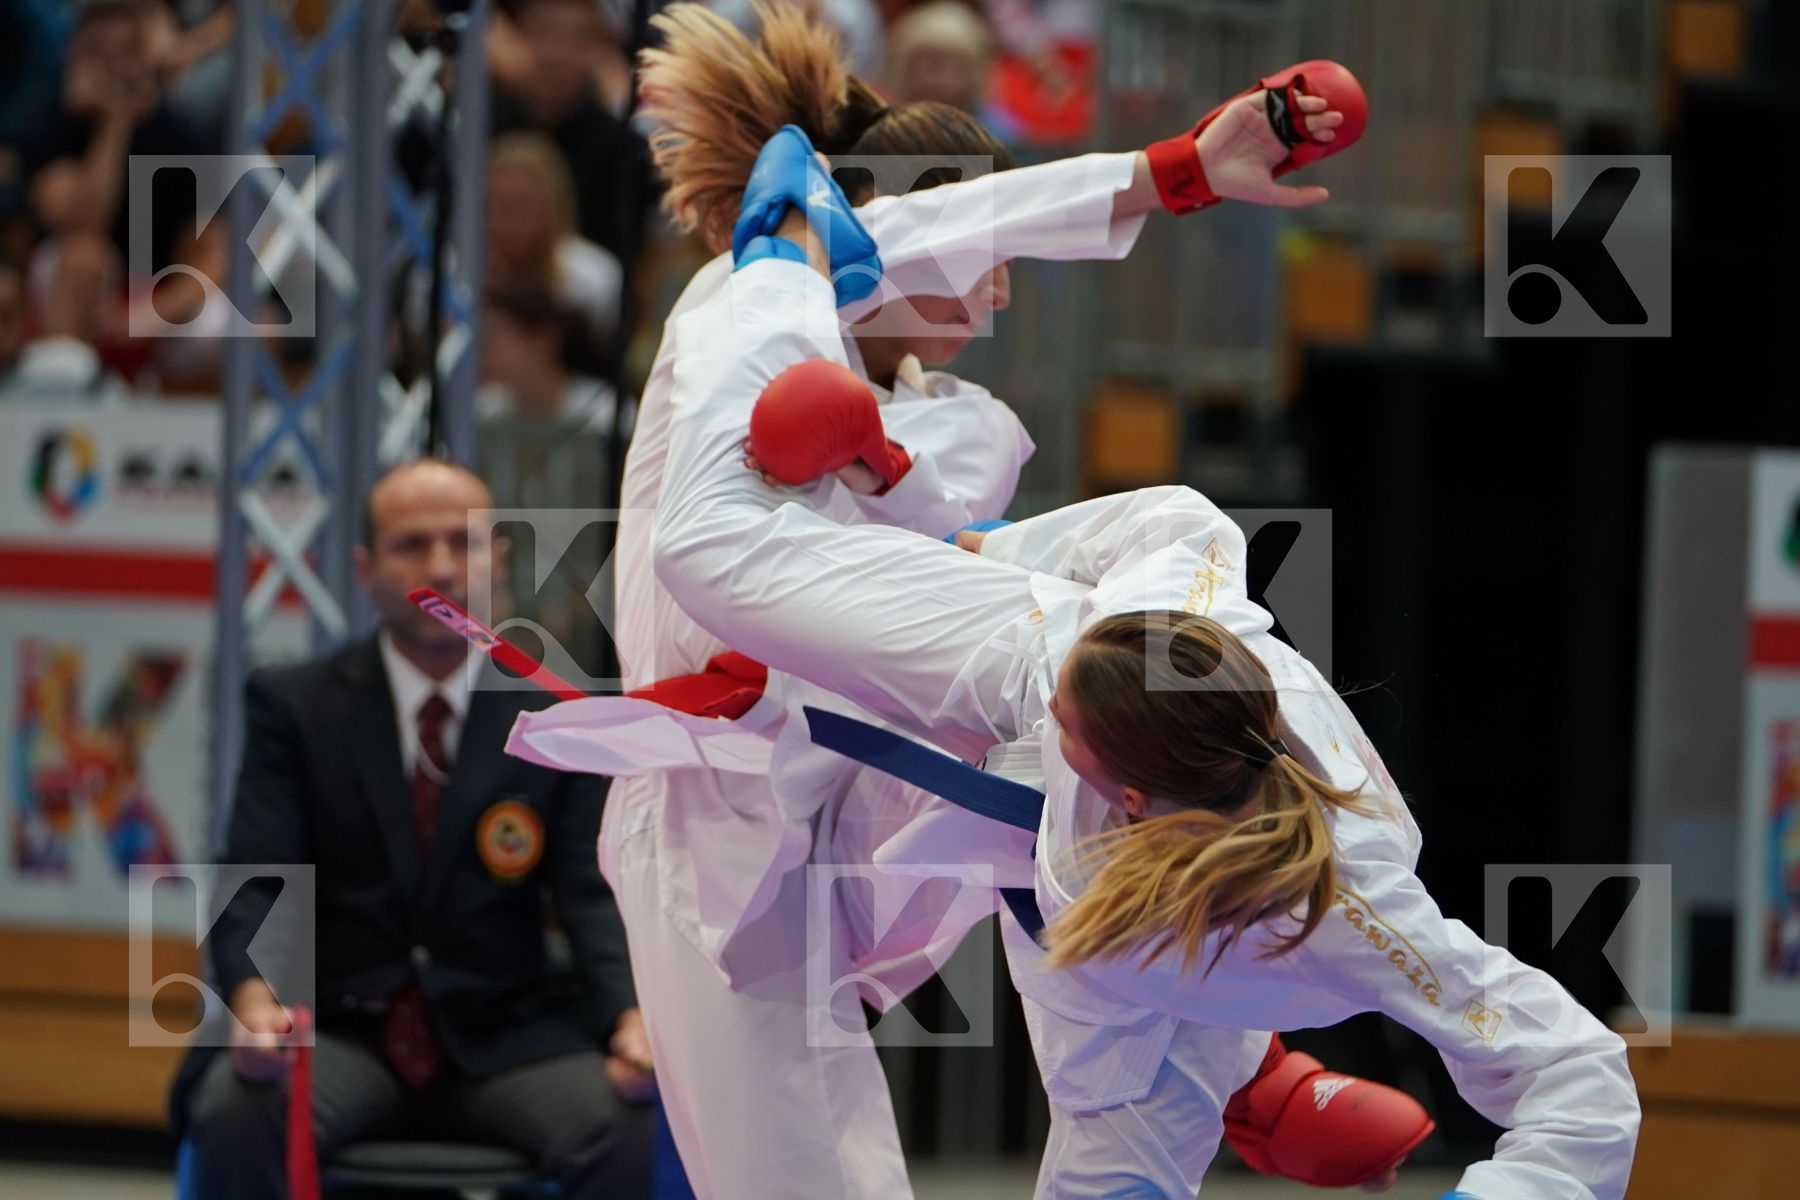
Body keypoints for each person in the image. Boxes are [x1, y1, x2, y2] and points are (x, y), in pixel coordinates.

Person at [520, 6, 1422, 1196]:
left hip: (875, 778)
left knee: (1082, 718)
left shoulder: (960, 424)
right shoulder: (737, 315)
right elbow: (897, 232)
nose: (1000, 287)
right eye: (983, 249)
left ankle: (1237, 1065)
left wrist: (1183, 171)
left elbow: (924, 541)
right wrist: (1171, 173)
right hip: (715, 831)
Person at [618, 174, 1644, 1198]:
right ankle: (777, 262)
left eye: (1071, 724)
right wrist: (951, 538)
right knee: (713, 546)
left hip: (1117, 951)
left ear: (1127, 795)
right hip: (1040, 660)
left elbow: (1581, 1076)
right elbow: (1181, 522)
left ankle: (1253, 1074)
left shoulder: (1352, 900)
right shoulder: (1143, 633)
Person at [169, 460, 655, 1199]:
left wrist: (631, 1018)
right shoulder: (296, 706)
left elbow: (594, 893)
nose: (441, 567)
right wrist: (256, 1007)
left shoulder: (559, 714)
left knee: (625, 1120)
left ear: (499, 559)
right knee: (243, 1106)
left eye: (464, 543)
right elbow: (258, 879)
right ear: (365, 569)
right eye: (411, 545)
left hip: (506, 1040)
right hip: (341, 1029)